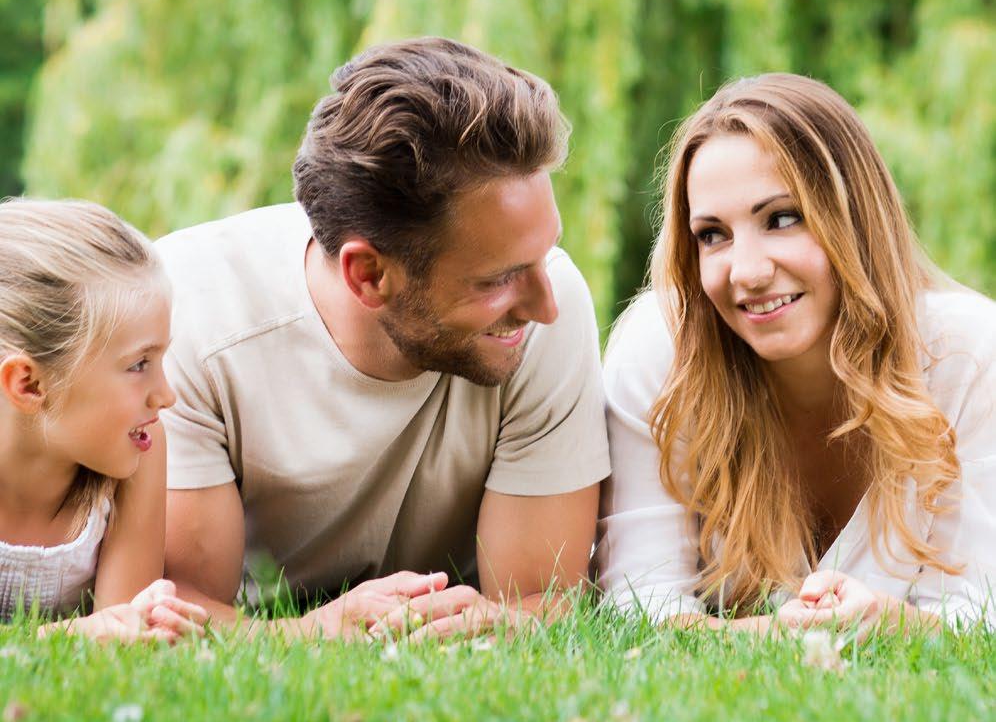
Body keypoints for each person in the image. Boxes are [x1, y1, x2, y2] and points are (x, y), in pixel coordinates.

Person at [161, 37, 609, 639]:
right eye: (498, 279)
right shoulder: (190, 317)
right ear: (369, 275)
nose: (545, 306)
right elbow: (180, 611)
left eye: (544, 253)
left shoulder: (549, 304)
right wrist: (308, 634)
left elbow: (538, 600)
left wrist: (494, 623)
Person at [595, 73, 996, 635]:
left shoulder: (971, 356)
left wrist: (893, 625)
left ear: (854, 218)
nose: (749, 272)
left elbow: (981, 614)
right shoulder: (659, 349)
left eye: (782, 219)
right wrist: (776, 635)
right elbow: (637, 606)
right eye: (713, 234)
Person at [0, 199, 206, 641]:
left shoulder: (142, 450)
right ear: (30, 385)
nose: (166, 396)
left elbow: (122, 632)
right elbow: (94, 635)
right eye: (138, 365)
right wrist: (66, 637)